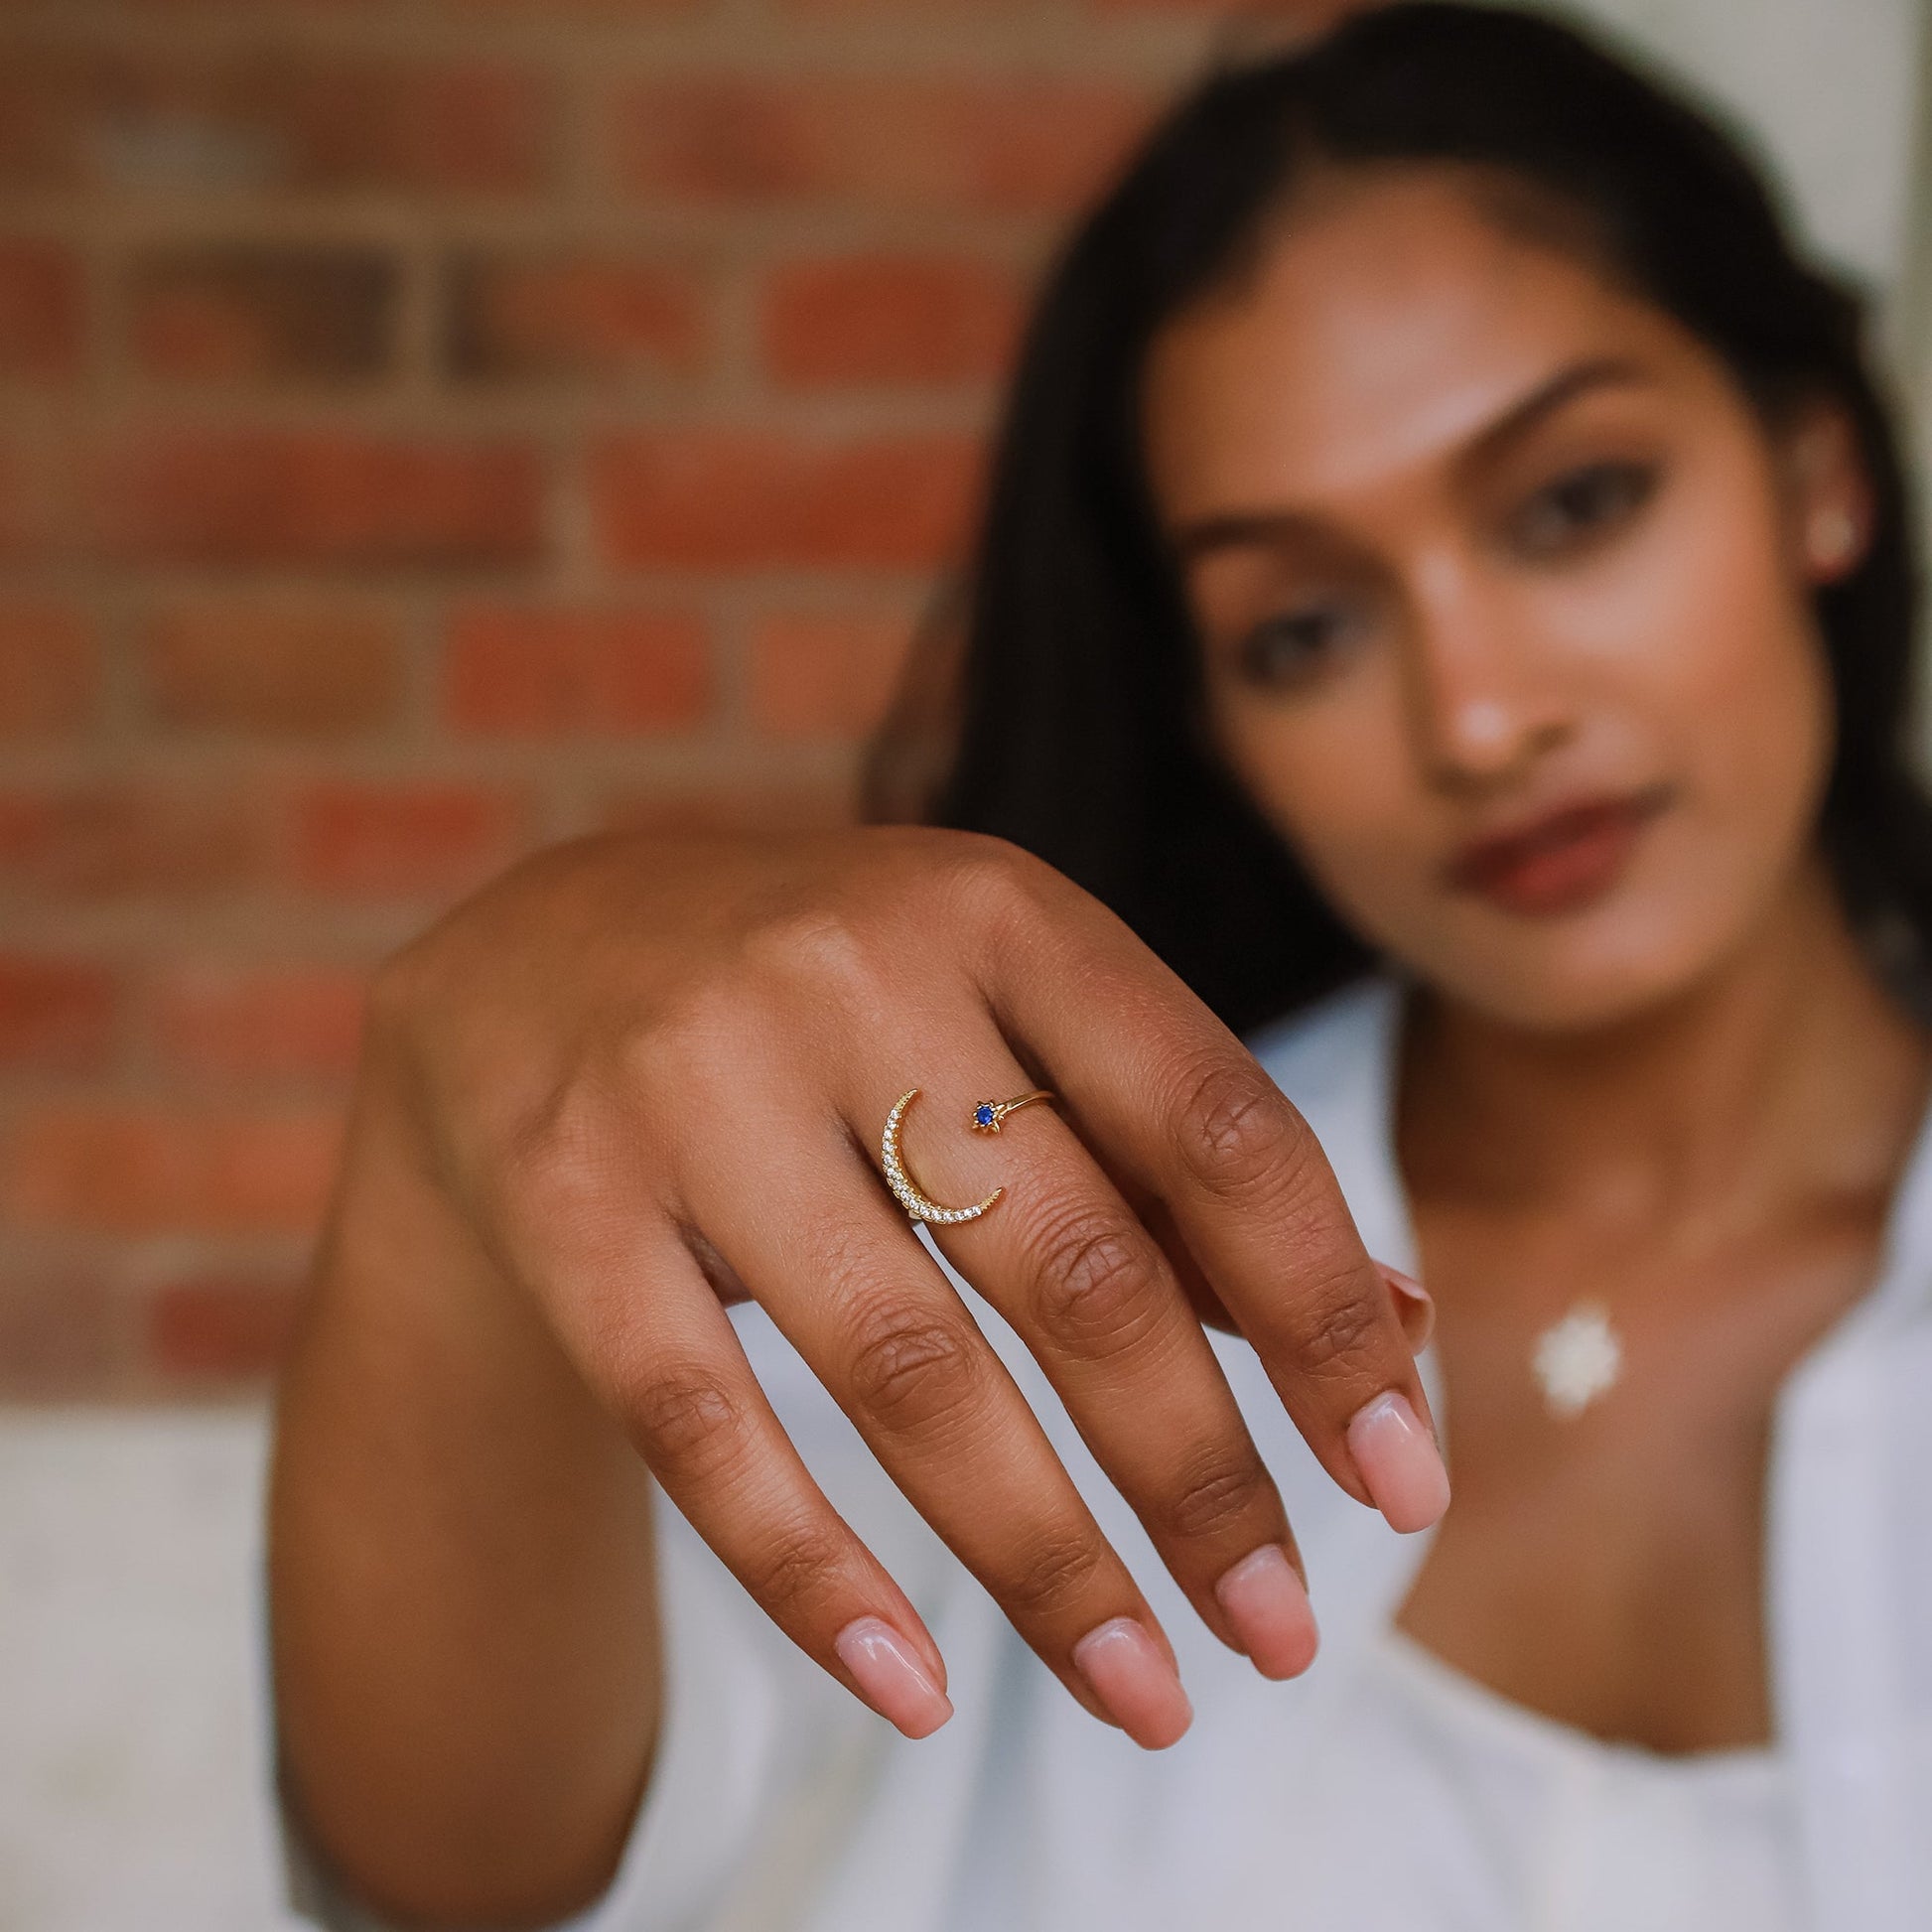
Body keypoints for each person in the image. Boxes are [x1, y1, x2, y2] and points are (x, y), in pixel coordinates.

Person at [264, 5, 1932, 1929]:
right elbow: (449, 1883)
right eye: (1301, 625)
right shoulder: (1015, 1234)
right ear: (1213, 715)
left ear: (1817, 469)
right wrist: (451, 1059)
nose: (1478, 717)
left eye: (1573, 503)